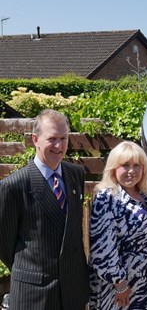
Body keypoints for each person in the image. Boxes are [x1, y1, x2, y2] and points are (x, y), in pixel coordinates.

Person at [0, 109, 89, 310]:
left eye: (63, 138)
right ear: (35, 140)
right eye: (52, 139)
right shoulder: (14, 186)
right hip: (35, 294)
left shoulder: (76, 174)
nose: (58, 146)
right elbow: (4, 245)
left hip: (72, 291)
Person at [88, 141, 147, 309]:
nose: (131, 171)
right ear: (113, 168)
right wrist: (119, 282)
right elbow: (102, 248)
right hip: (120, 287)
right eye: (125, 165)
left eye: (136, 165)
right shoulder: (106, 197)